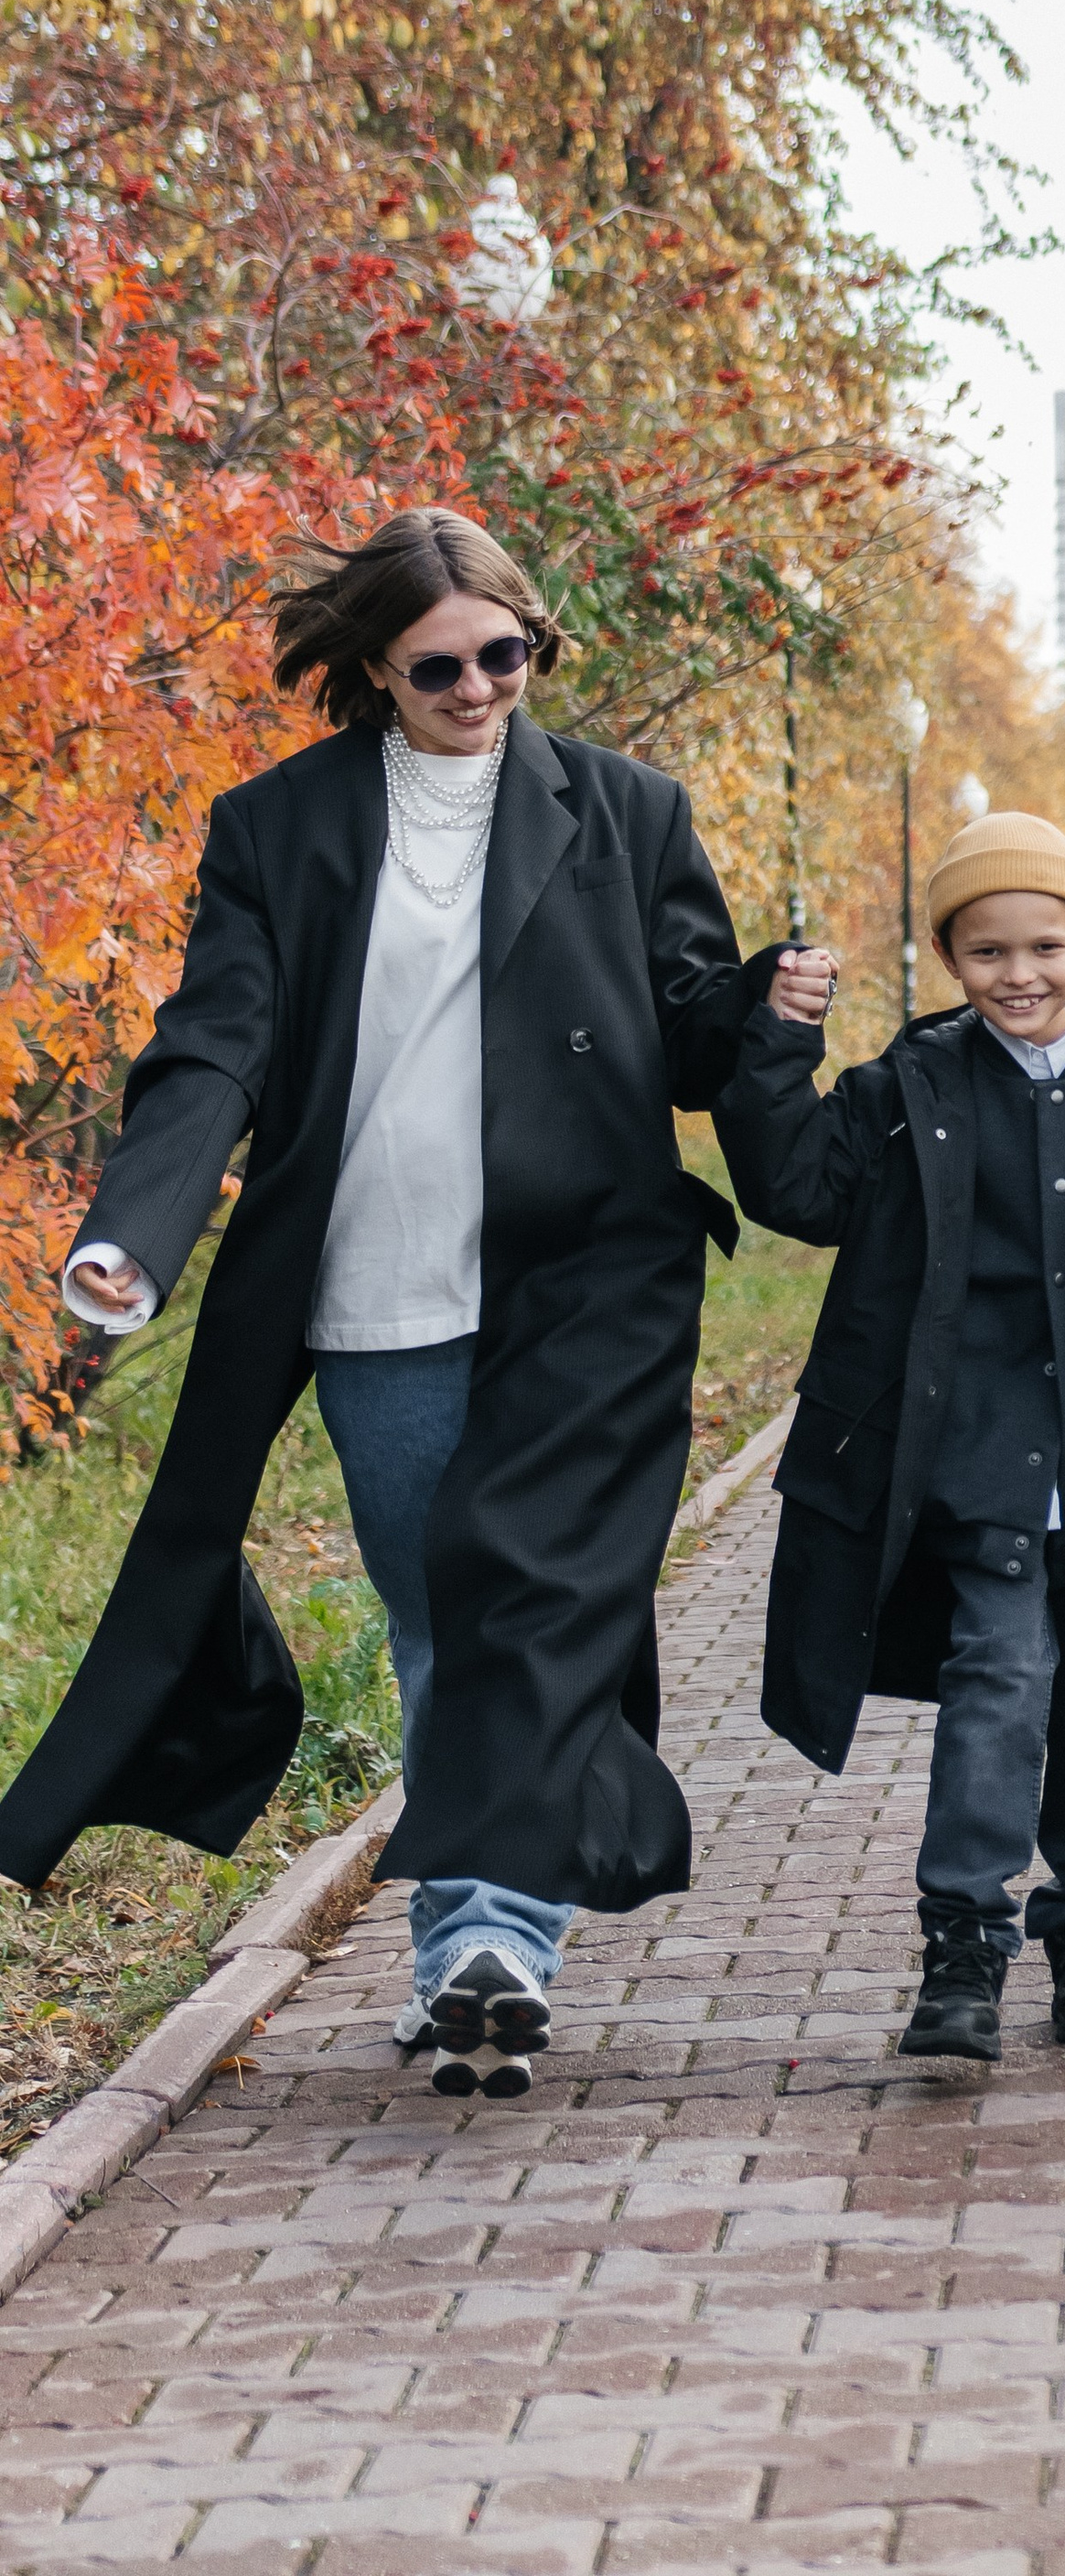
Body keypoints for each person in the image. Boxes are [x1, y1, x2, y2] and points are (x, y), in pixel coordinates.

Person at [0, 509, 776, 2098]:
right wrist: (133, 1233)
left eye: (509, 652)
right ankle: (478, 1938)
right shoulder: (276, 829)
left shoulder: (629, 811)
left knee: (544, 1605)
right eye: (442, 664)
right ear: (372, 668)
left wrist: (762, 1005)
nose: (483, 685)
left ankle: (485, 1937)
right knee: (442, 1618)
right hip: (377, 1292)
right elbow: (215, 1045)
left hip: (587, 1285)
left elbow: (691, 1046)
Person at [713, 807, 1065, 2065]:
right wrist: (779, 1042)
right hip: (973, 1448)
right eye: (985, 952)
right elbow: (795, 1187)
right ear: (949, 961)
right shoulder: (910, 1084)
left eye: (1042, 944)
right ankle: (963, 1940)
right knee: (1001, 1675)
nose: (1017, 974)